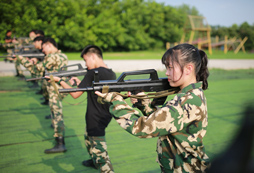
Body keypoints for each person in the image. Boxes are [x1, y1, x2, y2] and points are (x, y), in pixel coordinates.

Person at [95, 43, 211, 172]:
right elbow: (167, 122)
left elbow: (142, 128)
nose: (167, 73)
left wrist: (115, 100)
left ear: (188, 69)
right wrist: (143, 103)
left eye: (170, 67)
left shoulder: (186, 101)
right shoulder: (192, 94)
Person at [47, 45, 116, 172]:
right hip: (105, 115)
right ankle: (93, 160)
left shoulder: (92, 73)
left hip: (94, 117)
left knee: (101, 157)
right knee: (87, 136)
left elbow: (75, 94)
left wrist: (59, 80)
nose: (86, 64)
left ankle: (98, 161)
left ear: (93, 57)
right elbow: (95, 89)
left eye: (86, 60)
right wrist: (80, 83)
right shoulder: (111, 73)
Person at [34, 37, 69, 153]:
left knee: (57, 114)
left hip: (54, 89)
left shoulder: (51, 57)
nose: (43, 51)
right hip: (60, 88)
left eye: (44, 48)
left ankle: (60, 143)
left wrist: (22, 60)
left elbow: (36, 70)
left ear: (49, 45)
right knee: (56, 114)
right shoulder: (63, 56)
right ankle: (59, 139)